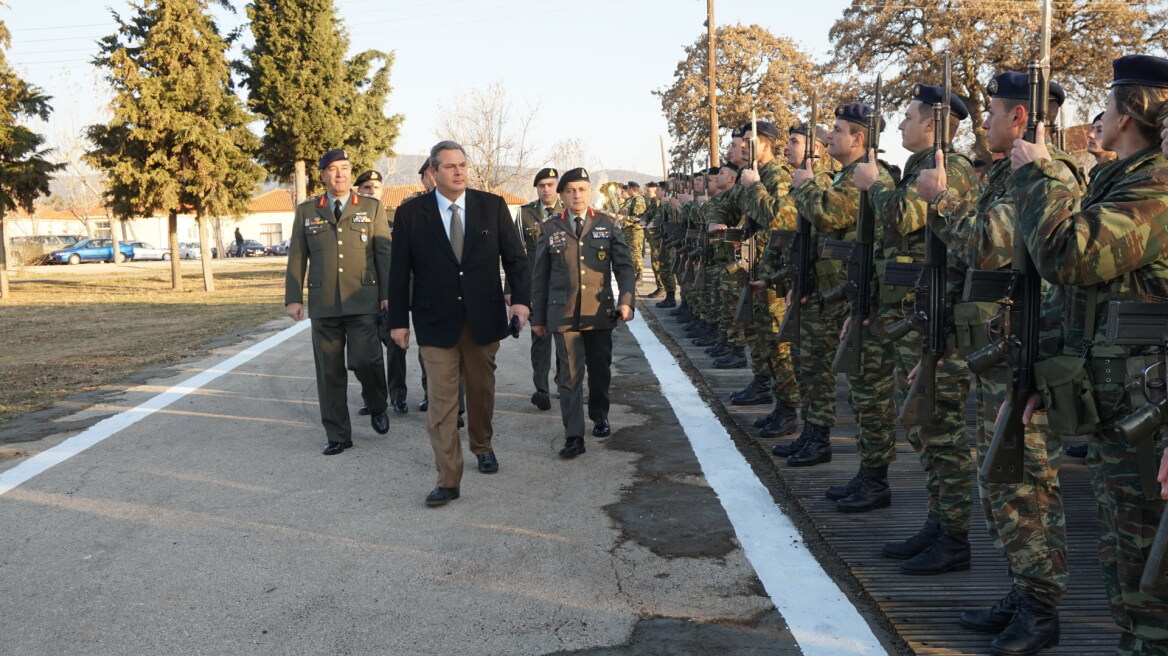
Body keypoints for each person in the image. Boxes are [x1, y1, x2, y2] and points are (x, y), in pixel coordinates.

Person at [1011, 54, 1168, 656]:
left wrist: (1043, 178)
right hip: (1120, 408)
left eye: (1106, 104)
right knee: (1128, 572)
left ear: (1126, 115)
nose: (1096, 117)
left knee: (1153, 584)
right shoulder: (1119, 181)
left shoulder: (1156, 189)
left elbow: (1070, 257)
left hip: (1150, 413)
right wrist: (1038, 379)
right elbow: (1074, 299)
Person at [917, 72, 1078, 653]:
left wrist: (943, 201)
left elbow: (991, 245)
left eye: (990, 114)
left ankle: (1041, 609)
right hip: (1002, 347)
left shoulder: (1043, 176)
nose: (981, 124)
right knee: (1003, 483)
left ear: (1019, 119)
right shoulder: (1007, 176)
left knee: (1027, 484)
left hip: (1028, 349)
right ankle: (1023, 590)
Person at [855, 83, 979, 563]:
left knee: (940, 430)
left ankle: (955, 538)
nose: (900, 125)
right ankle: (939, 523)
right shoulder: (916, 169)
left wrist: (875, 184)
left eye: (908, 117)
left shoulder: (952, 170)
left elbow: (905, 218)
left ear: (932, 123)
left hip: (939, 320)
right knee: (923, 429)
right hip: (915, 313)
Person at [388, 140, 530, 507]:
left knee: (481, 392)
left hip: (482, 318)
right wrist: (398, 322)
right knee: (441, 402)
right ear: (433, 172)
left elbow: (515, 260)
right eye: (450, 166)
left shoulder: (492, 206)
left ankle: (482, 444)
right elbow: (399, 271)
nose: (459, 172)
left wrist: (522, 302)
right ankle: (448, 479)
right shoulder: (411, 214)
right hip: (435, 321)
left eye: (463, 165)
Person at [786, 103, 898, 491]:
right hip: (832, 294)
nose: (828, 136)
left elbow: (829, 216)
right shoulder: (843, 177)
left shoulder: (863, 178)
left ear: (859, 138)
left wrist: (805, 186)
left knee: (869, 392)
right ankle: (818, 438)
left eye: (836, 130)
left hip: (859, 298)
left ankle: (874, 476)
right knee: (822, 371)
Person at [284, 148, 391, 455]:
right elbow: (297, 257)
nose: (340, 173)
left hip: (363, 299)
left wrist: (387, 295)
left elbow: (384, 254)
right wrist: (293, 298)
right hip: (324, 303)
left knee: (365, 360)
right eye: (333, 169)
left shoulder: (370, 207)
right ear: (323, 175)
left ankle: (377, 403)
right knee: (329, 372)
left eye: (345, 168)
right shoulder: (307, 211)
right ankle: (338, 434)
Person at [531, 167, 635, 458]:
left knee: (599, 371)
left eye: (582, 190)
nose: (577, 195)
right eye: (571, 191)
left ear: (590, 193)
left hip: (600, 312)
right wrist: (537, 318)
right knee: (569, 376)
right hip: (563, 315)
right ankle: (573, 435)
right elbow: (540, 277)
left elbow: (624, 268)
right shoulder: (550, 228)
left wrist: (626, 301)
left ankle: (599, 415)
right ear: (562, 195)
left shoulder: (608, 223)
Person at [353, 169, 409, 417]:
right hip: (361, 294)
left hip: (391, 293)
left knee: (395, 348)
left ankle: (398, 396)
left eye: (375, 186)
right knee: (366, 353)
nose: (371, 190)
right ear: (359, 191)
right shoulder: (351, 218)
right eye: (366, 187)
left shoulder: (398, 218)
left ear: (382, 190)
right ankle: (375, 398)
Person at [516, 167, 563, 411]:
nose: (546, 189)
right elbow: (516, 255)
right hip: (537, 287)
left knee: (564, 338)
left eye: (551, 184)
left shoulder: (568, 212)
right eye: (542, 185)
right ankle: (541, 389)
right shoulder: (525, 213)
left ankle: (563, 385)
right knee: (540, 337)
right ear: (536, 188)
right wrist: (512, 289)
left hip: (563, 286)